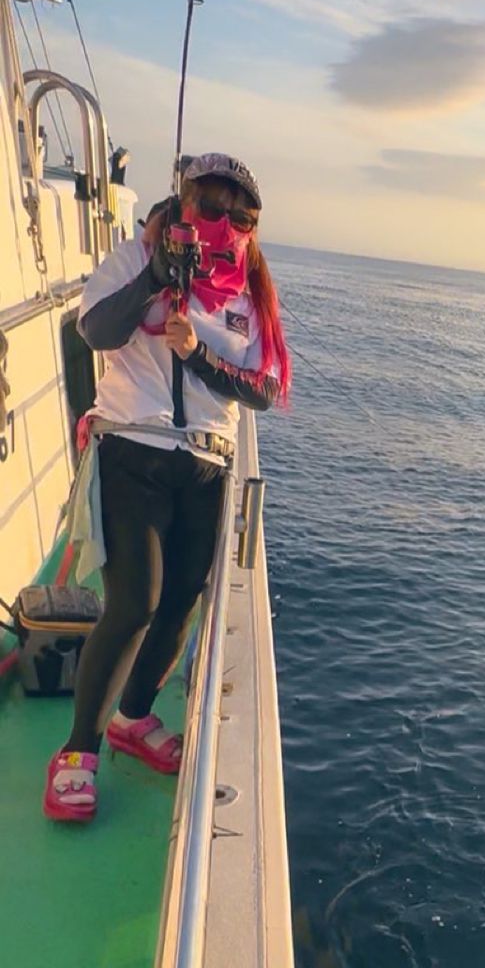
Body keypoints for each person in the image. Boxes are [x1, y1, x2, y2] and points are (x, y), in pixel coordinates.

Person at [43, 153, 291, 823]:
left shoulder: (249, 293)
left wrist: (198, 355)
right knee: (134, 601)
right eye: (210, 206)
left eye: (240, 215)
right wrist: (155, 277)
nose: (224, 223)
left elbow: (263, 389)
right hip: (133, 446)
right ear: (184, 203)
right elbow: (94, 329)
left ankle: (133, 717)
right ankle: (76, 753)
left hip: (207, 463)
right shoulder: (138, 256)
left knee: (181, 600)